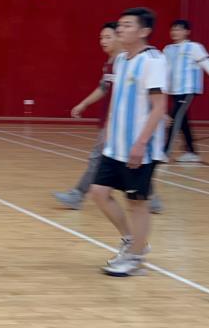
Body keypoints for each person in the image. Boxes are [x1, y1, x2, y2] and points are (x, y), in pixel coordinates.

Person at [91, 7, 168, 277]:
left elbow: (159, 106)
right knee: (99, 192)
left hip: (140, 149)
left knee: (137, 202)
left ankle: (134, 258)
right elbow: (117, 99)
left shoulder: (153, 61)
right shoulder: (121, 60)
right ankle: (133, 241)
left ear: (144, 31)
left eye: (127, 25)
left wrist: (141, 143)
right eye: (120, 25)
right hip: (116, 146)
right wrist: (108, 132)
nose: (120, 29)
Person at [54, 23, 163, 214]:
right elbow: (103, 88)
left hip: (126, 124)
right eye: (101, 38)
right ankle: (151, 199)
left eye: (108, 37)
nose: (103, 41)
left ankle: (77, 195)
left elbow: (154, 97)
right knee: (119, 161)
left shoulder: (139, 61)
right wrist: (84, 104)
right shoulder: (113, 63)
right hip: (112, 122)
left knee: (101, 159)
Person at [163, 19, 209, 163]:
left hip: (187, 90)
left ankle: (165, 152)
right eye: (173, 29)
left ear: (187, 32)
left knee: (174, 119)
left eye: (179, 29)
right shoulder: (168, 49)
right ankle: (191, 152)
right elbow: (164, 70)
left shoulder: (194, 47)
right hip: (173, 91)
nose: (175, 32)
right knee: (183, 121)